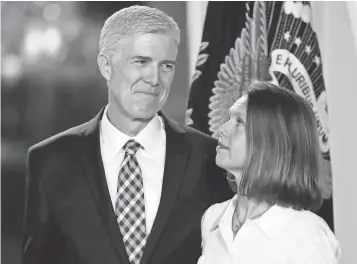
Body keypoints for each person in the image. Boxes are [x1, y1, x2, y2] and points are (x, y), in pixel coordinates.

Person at [22, 5, 232, 264]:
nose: (155, 79)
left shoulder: (209, 157)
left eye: (166, 66)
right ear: (106, 67)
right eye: (141, 62)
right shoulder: (50, 160)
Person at [198, 81, 341, 264]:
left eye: (239, 122)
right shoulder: (213, 218)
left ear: (272, 142)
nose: (222, 129)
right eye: (229, 119)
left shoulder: (307, 234)